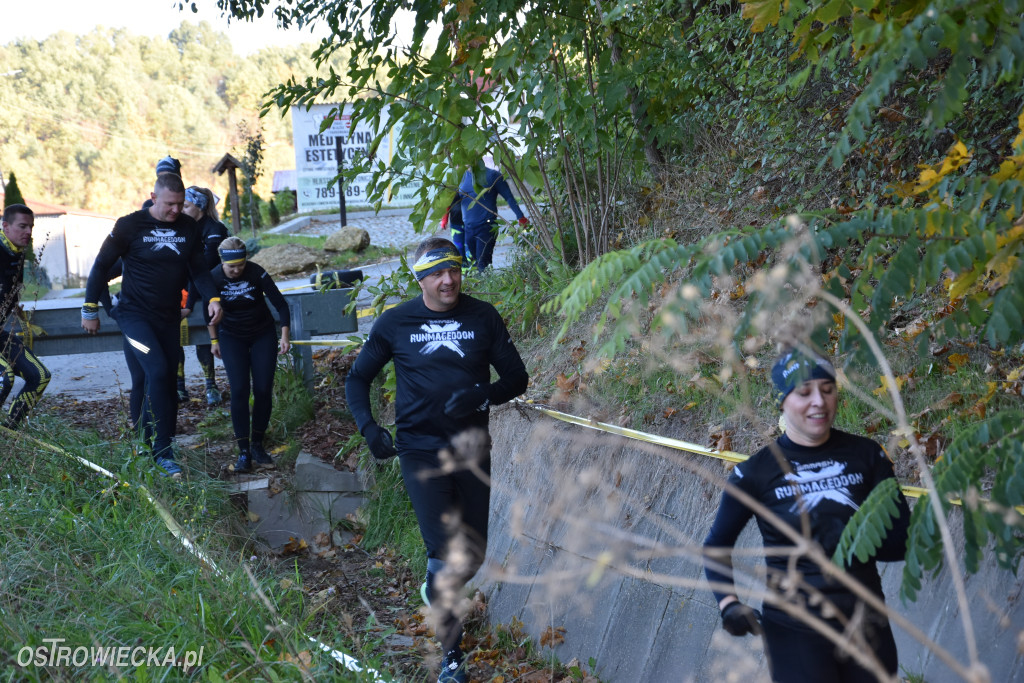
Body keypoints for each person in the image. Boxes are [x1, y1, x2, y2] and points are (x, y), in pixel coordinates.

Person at [345, 236, 528, 683]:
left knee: (473, 554)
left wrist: (481, 393)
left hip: (472, 448)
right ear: (420, 278)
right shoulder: (395, 323)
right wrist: (370, 429)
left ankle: (435, 588)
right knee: (446, 553)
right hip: (420, 450)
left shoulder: (482, 316)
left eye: (454, 270)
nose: (448, 280)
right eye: (437, 273)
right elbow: (357, 379)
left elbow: (517, 378)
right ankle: (452, 659)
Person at [703, 346, 911, 683]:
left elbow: (902, 540)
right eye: (804, 392)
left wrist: (851, 540)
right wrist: (728, 604)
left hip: (866, 623)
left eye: (828, 390)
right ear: (782, 402)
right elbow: (717, 544)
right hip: (795, 630)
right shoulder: (755, 473)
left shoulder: (867, 455)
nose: (819, 401)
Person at [81, 173, 222, 478]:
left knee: (159, 380)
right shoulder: (129, 225)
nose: (175, 210)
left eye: (180, 204)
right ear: (153, 197)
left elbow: (198, 268)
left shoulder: (187, 227)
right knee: (156, 371)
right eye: (170, 204)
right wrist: (91, 307)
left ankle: (150, 446)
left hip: (167, 318)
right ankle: (160, 451)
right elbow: (101, 266)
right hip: (134, 317)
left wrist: (212, 297)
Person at [206, 237, 291, 473]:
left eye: (240, 266)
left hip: (262, 333)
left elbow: (281, 305)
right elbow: (209, 312)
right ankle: (243, 450)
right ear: (223, 262)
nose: (236, 271)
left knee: (263, 388)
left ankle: (257, 444)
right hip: (232, 336)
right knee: (240, 389)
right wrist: (214, 340)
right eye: (231, 267)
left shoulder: (256, 273)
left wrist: (284, 336)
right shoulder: (213, 277)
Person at [0, 204, 51, 429]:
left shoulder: (16, 253)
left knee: (40, 376)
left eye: (31, 227)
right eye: (22, 226)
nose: (28, 232)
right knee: (5, 379)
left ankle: (10, 434)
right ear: (5, 226)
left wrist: (18, 313)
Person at [181, 186, 228, 406]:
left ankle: (216, 384)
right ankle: (191, 385)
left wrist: (189, 302)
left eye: (186, 206)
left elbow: (203, 267)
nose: (181, 210)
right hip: (191, 289)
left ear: (199, 207)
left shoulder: (214, 228)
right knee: (191, 337)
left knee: (212, 336)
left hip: (213, 290)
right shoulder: (184, 228)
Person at [458, 164, 528, 271]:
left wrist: (520, 217)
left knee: (482, 264)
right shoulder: (461, 177)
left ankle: (484, 285)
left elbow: (509, 197)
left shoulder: (493, 175)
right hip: (468, 228)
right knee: (475, 262)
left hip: (486, 226)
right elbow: (453, 200)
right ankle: (483, 284)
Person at [439, 193, 466, 260]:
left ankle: (473, 267)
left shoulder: (469, 184)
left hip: (470, 223)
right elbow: (446, 205)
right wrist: (444, 220)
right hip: (456, 223)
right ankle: (463, 267)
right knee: (459, 248)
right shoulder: (451, 187)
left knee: (469, 247)